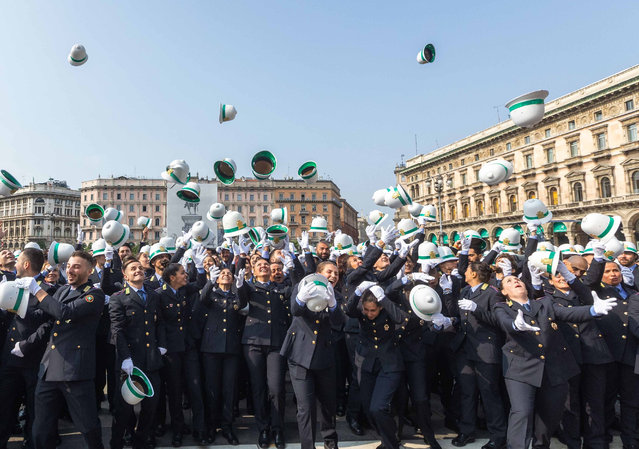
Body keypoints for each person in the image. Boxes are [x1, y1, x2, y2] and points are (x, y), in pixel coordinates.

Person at [493, 274, 616, 449]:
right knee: (522, 411)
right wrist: (515, 325)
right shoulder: (502, 307)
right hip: (521, 368)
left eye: (518, 279)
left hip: (552, 368)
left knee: (550, 413)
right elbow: (504, 321)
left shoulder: (545, 303)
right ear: (504, 291)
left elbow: (568, 313)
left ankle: (540, 445)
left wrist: (592, 310)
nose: (516, 282)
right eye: (509, 282)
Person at [17, 251, 106, 449]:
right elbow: (45, 317)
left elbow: (66, 313)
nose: (70, 270)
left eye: (77, 266)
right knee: (41, 427)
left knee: (88, 425)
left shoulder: (94, 294)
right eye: (69, 266)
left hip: (74, 370)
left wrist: (37, 291)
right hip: (49, 368)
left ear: (89, 270)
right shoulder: (63, 290)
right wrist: (18, 306)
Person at [281, 275, 344, 449]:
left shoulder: (335, 295)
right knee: (306, 408)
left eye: (334, 272)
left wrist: (332, 305)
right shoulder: (302, 287)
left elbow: (339, 322)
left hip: (324, 356)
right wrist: (302, 298)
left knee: (328, 404)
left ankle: (330, 441)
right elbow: (295, 310)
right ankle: (307, 446)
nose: (332, 276)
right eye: (327, 272)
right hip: (300, 356)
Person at [109, 256, 166, 449]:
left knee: (150, 407)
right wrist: (125, 357)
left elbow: (160, 323)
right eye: (133, 268)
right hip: (130, 362)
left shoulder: (153, 295)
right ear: (125, 275)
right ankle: (116, 442)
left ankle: (140, 442)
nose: (138, 270)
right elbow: (117, 330)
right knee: (124, 410)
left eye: (140, 268)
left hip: (151, 359)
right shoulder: (119, 298)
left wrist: (162, 345)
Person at [449, 262, 507, 449]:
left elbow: (499, 320)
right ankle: (467, 430)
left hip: (486, 350)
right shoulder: (466, 291)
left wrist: (477, 309)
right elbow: (462, 318)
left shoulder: (492, 292)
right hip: (466, 348)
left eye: (467, 270)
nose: (464, 272)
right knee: (467, 392)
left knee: (489, 393)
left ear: (474, 274)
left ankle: (498, 435)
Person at [238, 256, 294, 449]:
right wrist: (239, 275)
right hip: (253, 343)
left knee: (276, 389)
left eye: (266, 265)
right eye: (258, 265)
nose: (263, 266)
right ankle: (263, 428)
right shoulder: (248, 287)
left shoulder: (280, 288)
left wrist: (294, 264)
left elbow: (296, 288)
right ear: (253, 271)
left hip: (276, 343)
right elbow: (240, 297)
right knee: (258, 387)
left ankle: (278, 428)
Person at [346, 282, 409, 449]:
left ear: (380, 307)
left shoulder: (388, 310)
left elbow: (400, 318)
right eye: (366, 310)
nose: (369, 314)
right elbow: (349, 310)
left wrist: (383, 298)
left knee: (378, 408)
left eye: (373, 310)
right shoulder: (362, 313)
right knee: (368, 408)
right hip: (368, 365)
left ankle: (391, 444)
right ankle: (388, 440)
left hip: (389, 366)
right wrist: (358, 292)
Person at [0, 248, 50, 449]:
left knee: (33, 407)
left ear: (27, 264)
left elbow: (48, 324)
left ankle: (31, 443)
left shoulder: (47, 289)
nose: (16, 264)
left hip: (32, 358)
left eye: (19, 260)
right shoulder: (11, 284)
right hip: (9, 358)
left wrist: (27, 345)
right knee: (4, 405)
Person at [155, 260, 207, 447]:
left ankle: (200, 429)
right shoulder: (159, 295)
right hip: (171, 350)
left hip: (188, 347)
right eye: (183, 273)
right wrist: (161, 345)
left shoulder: (185, 290)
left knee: (195, 388)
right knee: (175, 391)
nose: (186, 276)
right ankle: (178, 430)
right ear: (172, 277)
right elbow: (159, 322)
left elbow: (200, 283)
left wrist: (200, 268)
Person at [196, 266, 246, 445]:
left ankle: (227, 425)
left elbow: (242, 304)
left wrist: (240, 287)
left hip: (231, 349)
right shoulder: (212, 295)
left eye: (228, 274)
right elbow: (202, 298)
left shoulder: (235, 296)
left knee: (228, 389)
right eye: (222, 274)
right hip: (211, 349)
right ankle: (211, 425)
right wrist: (210, 281)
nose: (225, 275)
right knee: (212, 389)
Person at [593, 262, 639, 448]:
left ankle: (630, 440)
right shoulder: (597, 291)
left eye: (616, 270)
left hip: (629, 354)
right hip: (607, 354)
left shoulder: (631, 291)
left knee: (630, 401)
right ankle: (602, 437)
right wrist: (597, 260)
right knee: (606, 399)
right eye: (608, 271)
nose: (613, 274)